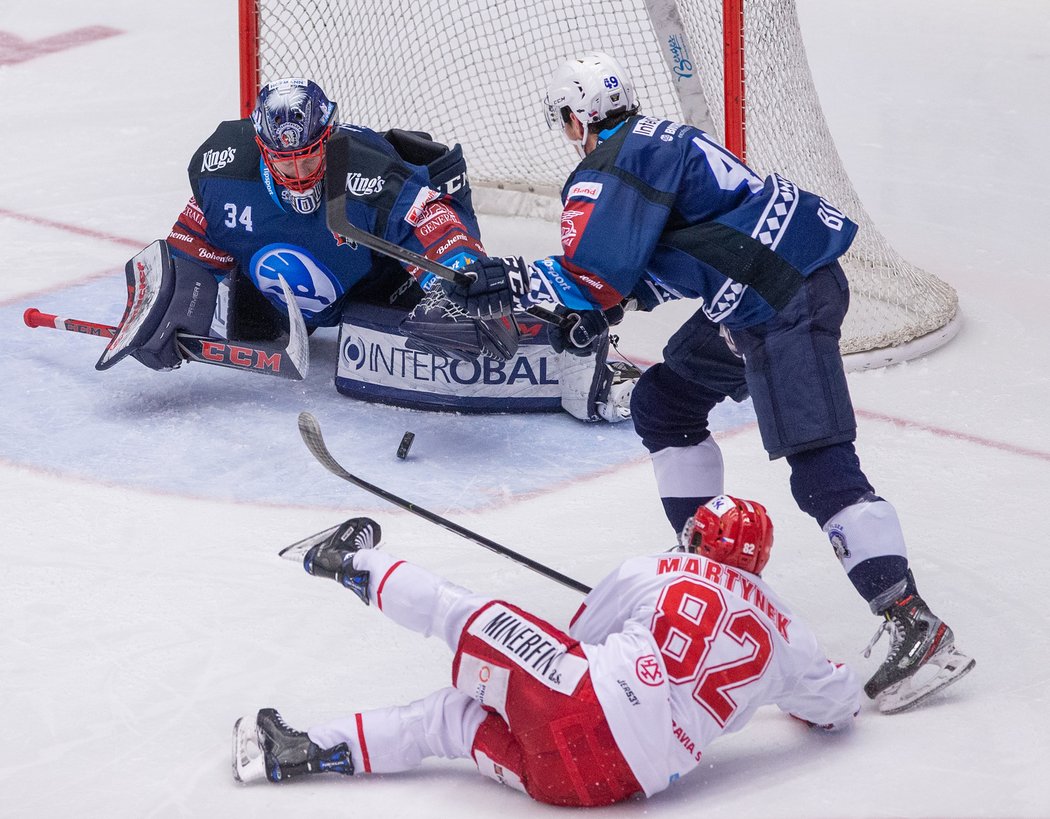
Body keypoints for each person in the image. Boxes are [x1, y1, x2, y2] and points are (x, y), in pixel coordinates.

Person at [440, 53, 974, 712]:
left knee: (818, 465)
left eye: (566, 122)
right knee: (664, 403)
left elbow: (595, 276)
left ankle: (911, 620)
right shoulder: (661, 143)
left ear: (577, 119)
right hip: (761, 291)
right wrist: (588, 316)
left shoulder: (615, 164)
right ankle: (706, 573)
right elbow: (667, 262)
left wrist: (508, 279)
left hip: (779, 298)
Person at [232, 497, 861, 806]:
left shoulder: (655, 570)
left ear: (702, 538)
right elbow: (837, 705)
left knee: (464, 614)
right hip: (597, 786)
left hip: (587, 699)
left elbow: (577, 641)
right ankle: (292, 753)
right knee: (451, 720)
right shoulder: (788, 632)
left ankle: (344, 558)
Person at [92, 77, 635, 422]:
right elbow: (191, 239)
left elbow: (434, 221)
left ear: (328, 138)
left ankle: (573, 362)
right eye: (285, 163)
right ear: (261, 147)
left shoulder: (369, 168)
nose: (300, 173)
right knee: (239, 318)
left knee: (448, 330)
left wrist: (462, 268)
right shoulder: (222, 167)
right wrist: (161, 307)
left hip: (374, 281)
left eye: (310, 156)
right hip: (281, 297)